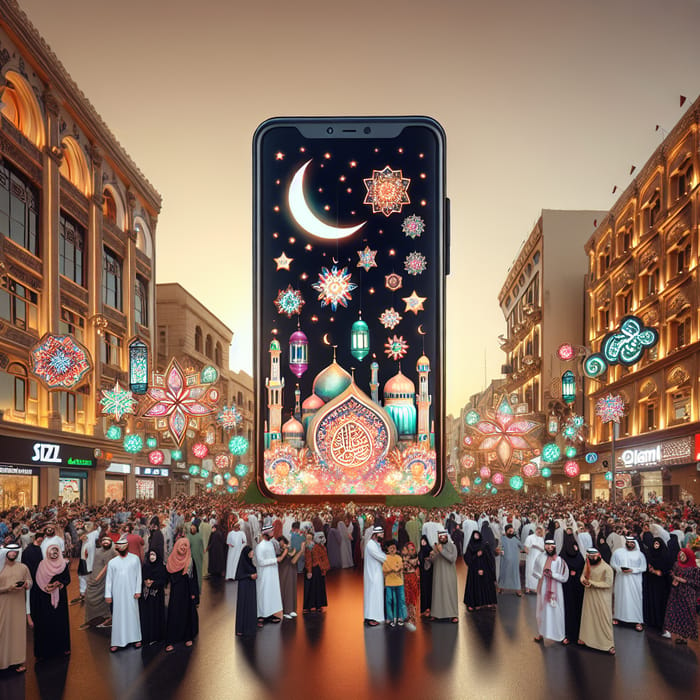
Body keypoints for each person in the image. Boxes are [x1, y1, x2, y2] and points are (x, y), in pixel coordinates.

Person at [33, 543, 71, 659]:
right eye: (51, 553)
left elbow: (67, 579)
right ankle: (48, 649)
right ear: (47, 553)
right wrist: (47, 588)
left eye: (56, 552)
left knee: (60, 622)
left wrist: (58, 584)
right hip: (45, 599)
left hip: (60, 600)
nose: (54, 555)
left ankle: (62, 647)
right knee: (47, 622)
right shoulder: (42, 565)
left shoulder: (63, 565)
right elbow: (38, 581)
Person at [105, 537, 143, 653]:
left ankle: (136, 639)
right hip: (117, 594)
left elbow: (139, 576)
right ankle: (117, 642)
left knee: (133, 615)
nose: (121, 548)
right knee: (118, 617)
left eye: (123, 545)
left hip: (132, 593)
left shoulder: (135, 559)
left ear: (127, 546)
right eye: (118, 546)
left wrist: (138, 590)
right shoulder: (112, 562)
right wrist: (108, 595)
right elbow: (109, 580)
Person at [0, 543, 32, 673]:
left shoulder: (23, 567)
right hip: (3, 606)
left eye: (15, 552)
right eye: (10, 551)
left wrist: (26, 584)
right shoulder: (0, 567)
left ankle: (17, 662)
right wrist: (9, 588)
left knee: (17, 633)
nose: (13, 554)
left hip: (18, 605)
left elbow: (30, 581)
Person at [579, 548, 615, 655]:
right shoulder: (588, 565)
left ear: (599, 555)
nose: (591, 559)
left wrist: (591, 583)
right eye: (589, 557)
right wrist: (583, 581)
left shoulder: (607, 568)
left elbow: (608, 584)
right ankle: (587, 640)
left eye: (593, 557)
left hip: (602, 599)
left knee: (604, 620)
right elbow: (583, 575)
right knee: (588, 618)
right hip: (589, 596)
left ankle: (608, 645)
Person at [165, 537, 199, 652]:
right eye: (182, 545)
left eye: (186, 546)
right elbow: (166, 578)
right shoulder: (171, 560)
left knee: (186, 613)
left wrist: (194, 593)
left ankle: (187, 637)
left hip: (187, 592)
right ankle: (171, 640)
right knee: (174, 613)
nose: (183, 548)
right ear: (177, 545)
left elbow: (194, 578)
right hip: (174, 593)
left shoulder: (189, 560)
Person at [532, 539, 569, 644]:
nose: (549, 548)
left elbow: (565, 577)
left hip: (556, 590)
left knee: (557, 611)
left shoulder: (559, 560)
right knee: (541, 611)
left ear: (555, 547)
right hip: (543, 587)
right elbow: (535, 570)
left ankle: (560, 636)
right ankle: (541, 633)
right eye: (547, 546)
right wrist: (542, 574)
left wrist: (553, 575)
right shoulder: (540, 557)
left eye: (551, 546)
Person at [662, 548, 700, 644]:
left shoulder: (694, 569)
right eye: (681, 555)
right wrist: (674, 578)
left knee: (687, 615)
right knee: (677, 614)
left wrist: (685, 581)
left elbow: (697, 582)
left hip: (688, 595)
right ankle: (679, 635)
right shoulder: (676, 565)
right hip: (676, 593)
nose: (682, 557)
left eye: (684, 555)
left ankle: (685, 637)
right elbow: (672, 573)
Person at [610, 535, 645, 631]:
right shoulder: (618, 552)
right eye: (628, 542)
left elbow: (643, 567)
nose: (630, 544)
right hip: (621, 580)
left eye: (632, 543)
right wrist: (619, 569)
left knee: (635, 599)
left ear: (635, 544)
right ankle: (618, 617)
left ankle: (637, 621)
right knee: (620, 598)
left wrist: (632, 570)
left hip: (634, 581)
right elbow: (613, 563)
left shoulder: (640, 554)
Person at [82, 536, 116, 629]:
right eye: (104, 541)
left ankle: (105, 618)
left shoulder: (112, 552)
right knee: (89, 598)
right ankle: (91, 620)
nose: (105, 543)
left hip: (103, 580)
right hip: (94, 577)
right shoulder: (98, 551)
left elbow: (107, 566)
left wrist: (97, 578)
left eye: (108, 541)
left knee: (102, 600)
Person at [643, 536, 673, 633]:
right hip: (651, 583)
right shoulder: (649, 555)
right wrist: (650, 570)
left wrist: (659, 572)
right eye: (654, 543)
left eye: (658, 544)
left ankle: (660, 622)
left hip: (661, 585)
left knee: (660, 602)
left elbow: (668, 569)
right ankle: (650, 621)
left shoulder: (665, 555)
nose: (656, 546)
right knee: (651, 601)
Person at [560, 530, 585, 645]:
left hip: (570, 585)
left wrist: (572, 572)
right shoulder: (577, 553)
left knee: (570, 609)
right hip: (573, 585)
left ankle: (570, 635)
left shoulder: (563, 554)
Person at [255, 525, 283, 624]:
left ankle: (269, 613)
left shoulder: (270, 544)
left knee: (270, 593)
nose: (273, 532)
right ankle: (261, 615)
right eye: (271, 531)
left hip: (272, 573)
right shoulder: (260, 546)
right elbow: (261, 562)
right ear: (266, 533)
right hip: (264, 575)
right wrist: (276, 560)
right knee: (264, 594)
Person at [463, 529, 497, 611]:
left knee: (485, 585)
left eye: (478, 535)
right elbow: (467, 558)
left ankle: (487, 602)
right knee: (475, 586)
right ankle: (475, 603)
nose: (476, 537)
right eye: (475, 536)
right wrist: (476, 556)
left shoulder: (484, 545)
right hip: (474, 570)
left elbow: (489, 558)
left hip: (485, 569)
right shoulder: (470, 546)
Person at [429, 530, 459, 623]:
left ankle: (453, 614)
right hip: (438, 575)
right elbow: (432, 561)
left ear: (446, 536)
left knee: (450, 594)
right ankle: (437, 614)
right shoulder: (436, 547)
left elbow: (452, 559)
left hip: (449, 576)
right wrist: (432, 555)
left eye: (443, 537)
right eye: (440, 537)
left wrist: (441, 551)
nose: (442, 538)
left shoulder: (452, 546)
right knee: (438, 593)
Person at [140, 549, 167, 645]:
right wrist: (145, 582)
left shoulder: (162, 567)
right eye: (150, 554)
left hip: (157, 597)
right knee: (147, 616)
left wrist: (154, 583)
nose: (152, 557)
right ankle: (147, 636)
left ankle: (157, 636)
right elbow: (141, 577)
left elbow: (164, 580)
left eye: (154, 554)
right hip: (146, 597)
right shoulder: (145, 566)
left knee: (156, 615)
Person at [364, 526, 387, 626]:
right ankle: (371, 617)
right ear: (375, 534)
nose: (382, 535)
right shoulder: (371, 544)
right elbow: (381, 556)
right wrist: (392, 559)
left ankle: (374, 616)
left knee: (375, 595)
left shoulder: (376, 544)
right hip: (373, 575)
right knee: (373, 595)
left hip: (376, 573)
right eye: (380, 533)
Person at [234, 545, 258, 636]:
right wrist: (249, 576)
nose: (252, 553)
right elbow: (239, 575)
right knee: (243, 605)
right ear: (246, 554)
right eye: (251, 552)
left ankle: (250, 626)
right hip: (244, 587)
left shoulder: (249, 562)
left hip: (250, 587)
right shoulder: (243, 563)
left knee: (250, 605)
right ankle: (241, 628)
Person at [304, 531, 330, 613]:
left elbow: (324, 558)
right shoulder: (313, 547)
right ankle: (313, 606)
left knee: (317, 588)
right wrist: (309, 571)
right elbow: (309, 559)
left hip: (318, 569)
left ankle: (316, 605)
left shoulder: (320, 547)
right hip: (315, 569)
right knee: (314, 588)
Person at [382, 539, 407, 627]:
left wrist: (394, 569)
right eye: (390, 547)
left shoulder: (399, 558)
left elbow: (400, 568)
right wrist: (393, 569)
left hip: (399, 583)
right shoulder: (385, 558)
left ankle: (401, 617)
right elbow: (385, 569)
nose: (392, 549)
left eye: (394, 547)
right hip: (389, 583)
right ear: (387, 549)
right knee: (389, 600)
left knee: (401, 600)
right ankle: (390, 618)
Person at [277, 536, 302, 618]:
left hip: (291, 571)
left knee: (292, 589)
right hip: (283, 571)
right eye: (280, 543)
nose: (282, 544)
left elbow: (293, 557)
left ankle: (292, 609)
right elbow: (282, 558)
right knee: (284, 589)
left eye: (283, 542)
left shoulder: (290, 548)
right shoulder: (280, 551)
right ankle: (285, 610)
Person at [497, 524, 523, 596]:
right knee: (503, 575)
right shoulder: (502, 539)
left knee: (515, 576)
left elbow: (522, 547)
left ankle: (518, 590)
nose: (511, 532)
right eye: (509, 531)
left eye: (512, 531)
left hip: (514, 562)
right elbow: (499, 547)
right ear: (506, 532)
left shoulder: (516, 539)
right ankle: (501, 588)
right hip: (504, 561)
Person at [402, 542, 420, 628]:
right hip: (405, 578)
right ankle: (407, 616)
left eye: (412, 549)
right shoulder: (403, 557)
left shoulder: (414, 557)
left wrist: (406, 561)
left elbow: (412, 565)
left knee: (412, 598)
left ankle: (412, 618)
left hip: (412, 577)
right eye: (408, 549)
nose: (410, 551)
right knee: (406, 597)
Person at [523, 526, 544, 594]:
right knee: (529, 572)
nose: (539, 531)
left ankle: (535, 588)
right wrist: (529, 554)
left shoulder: (541, 539)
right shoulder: (530, 537)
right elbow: (526, 547)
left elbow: (543, 549)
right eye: (538, 529)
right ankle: (527, 588)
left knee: (536, 573)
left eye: (540, 530)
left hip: (538, 558)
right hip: (531, 558)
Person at [186, 522, 205, 592]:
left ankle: (198, 588)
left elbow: (202, 548)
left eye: (194, 528)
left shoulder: (199, 536)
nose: (192, 529)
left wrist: (202, 556)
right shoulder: (188, 536)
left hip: (198, 558)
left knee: (198, 573)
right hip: (190, 557)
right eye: (191, 527)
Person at [418, 534, 433, 617]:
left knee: (429, 590)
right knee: (424, 591)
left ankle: (429, 608)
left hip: (429, 575)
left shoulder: (429, 549)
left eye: (424, 541)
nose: (423, 543)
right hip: (423, 575)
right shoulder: (420, 551)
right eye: (422, 541)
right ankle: (424, 609)